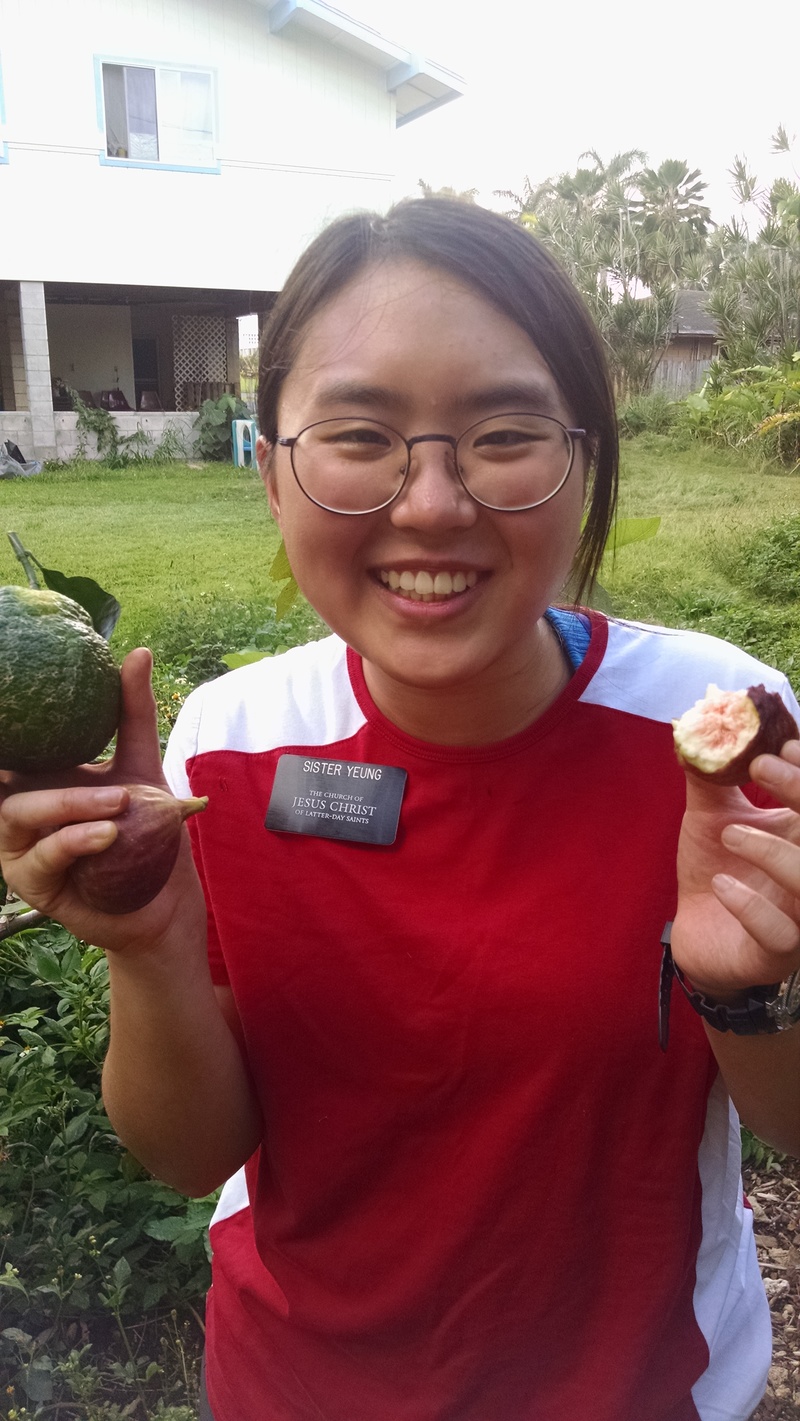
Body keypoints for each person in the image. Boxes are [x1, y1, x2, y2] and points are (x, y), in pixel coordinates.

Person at [1, 199, 800, 1421]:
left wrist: (751, 986)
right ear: (271, 472)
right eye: (360, 435)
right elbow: (190, 1153)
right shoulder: (228, 743)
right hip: (295, 1387)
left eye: (503, 433)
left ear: (584, 465)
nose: (431, 503)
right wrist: (150, 945)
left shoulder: (714, 719)